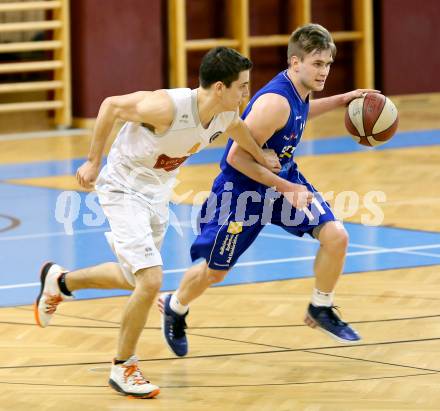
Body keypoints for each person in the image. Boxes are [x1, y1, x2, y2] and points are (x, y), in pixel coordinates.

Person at [34, 47, 280, 399]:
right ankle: (123, 366)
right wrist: (92, 161)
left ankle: (60, 281)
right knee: (150, 280)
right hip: (123, 185)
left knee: (132, 275)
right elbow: (111, 106)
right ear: (220, 88)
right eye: (242, 86)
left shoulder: (226, 113)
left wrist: (261, 155)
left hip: (158, 191)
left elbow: (238, 129)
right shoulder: (167, 107)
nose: (247, 93)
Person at [160, 23, 380, 357]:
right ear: (295, 63)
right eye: (317, 64)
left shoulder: (299, 93)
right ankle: (175, 306)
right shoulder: (274, 102)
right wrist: (286, 187)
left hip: (280, 182)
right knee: (213, 272)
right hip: (241, 193)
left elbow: (302, 111)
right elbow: (235, 158)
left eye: (328, 64)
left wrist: (342, 100)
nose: (325, 71)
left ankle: (320, 307)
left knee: (336, 236)